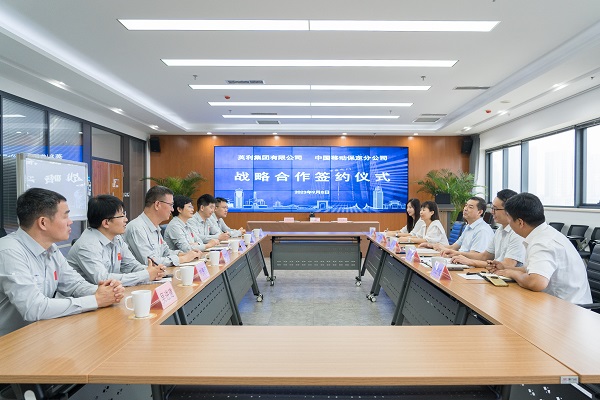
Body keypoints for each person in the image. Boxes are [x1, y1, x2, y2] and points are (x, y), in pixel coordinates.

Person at [0, 188, 124, 337]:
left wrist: (104, 291)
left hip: (39, 333)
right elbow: (33, 308)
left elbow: (74, 284)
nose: (70, 222)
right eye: (65, 216)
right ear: (43, 223)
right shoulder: (9, 252)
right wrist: (95, 300)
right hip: (9, 341)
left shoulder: (51, 249)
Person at [488, 193, 592, 304]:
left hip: (570, 309)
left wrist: (513, 274)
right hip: (556, 303)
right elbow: (532, 270)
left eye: (509, 220)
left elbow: (536, 282)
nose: (509, 223)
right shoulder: (544, 233)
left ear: (520, 222)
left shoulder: (543, 243)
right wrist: (506, 269)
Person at [67, 195, 165, 286]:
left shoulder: (117, 238)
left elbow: (131, 265)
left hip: (111, 293)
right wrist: (146, 274)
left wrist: (154, 270)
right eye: (121, 216)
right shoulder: (87, 246)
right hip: (87, 297)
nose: (126, 219)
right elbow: (103, 279)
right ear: (106, 223)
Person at [445, 189, 526, 268]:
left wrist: (471, 262)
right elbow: (485, 256)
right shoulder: (500, 230)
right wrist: (457, 254)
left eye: (495, 209)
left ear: (509, 210)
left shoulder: (517, 233)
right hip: (496, 272)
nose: (492, 212)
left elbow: (507, 265)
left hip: (506, 275)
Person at [124, 186, 200, 267]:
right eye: (171, 205)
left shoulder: (155, 226)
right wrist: (183, 259)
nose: (172, 209)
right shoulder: (137, 228)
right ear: (157, 205)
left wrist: (182, 254)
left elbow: (165, 252)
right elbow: (150, 262)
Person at [427, 196, 494, 253]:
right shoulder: (468, 226)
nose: (465, 209)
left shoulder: (482, 230)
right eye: (466, 205)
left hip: (467, 263)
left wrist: (454, 253)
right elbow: (453, 247)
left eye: (470, 207)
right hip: (460, 260)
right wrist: (432, 246)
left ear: (479, 212)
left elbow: (475, 256)